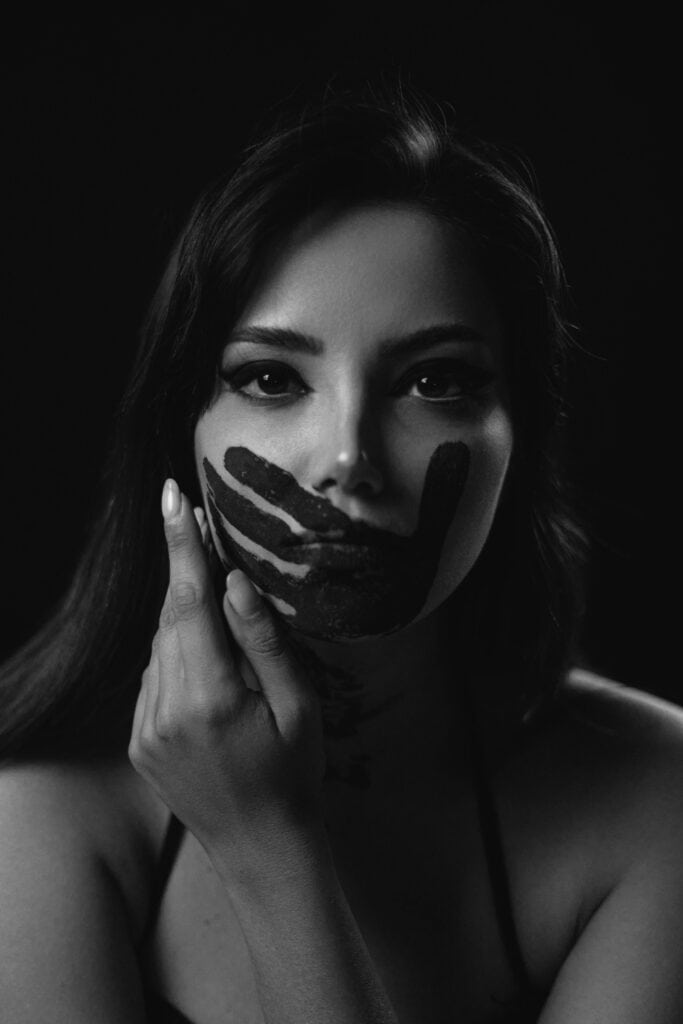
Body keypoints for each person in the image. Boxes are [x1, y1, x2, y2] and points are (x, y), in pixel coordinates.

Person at [1, 84, 682, 1024]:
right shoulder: (37, 813)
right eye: (272, 378)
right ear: (179, 435)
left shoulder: (657, 800)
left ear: (521, 435)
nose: (349, 458)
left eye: (432, 380)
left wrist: (270, 852)